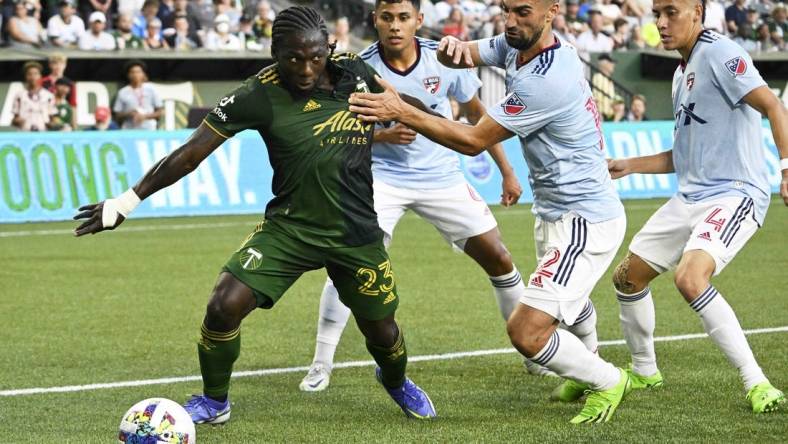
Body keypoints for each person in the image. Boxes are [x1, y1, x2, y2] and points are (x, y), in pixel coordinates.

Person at [74, 5, 437, 425]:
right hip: (290, 228)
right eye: (293, 58)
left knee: (382, 333)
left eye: (315, 57)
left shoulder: (355, 72)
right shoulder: (257, 94)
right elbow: (190, 153)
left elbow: (401, 102)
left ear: (331, 48)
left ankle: (395, 381)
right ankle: (215, 402)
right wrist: (124, 203)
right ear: (273, 52)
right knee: (223, 305)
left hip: (354, 231)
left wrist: (444, 122)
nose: (304, 68)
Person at [348, 0, 631, 424]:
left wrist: (403, 109)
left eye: (522, 11)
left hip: (586, 217)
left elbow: (473, 140)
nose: (511, 22)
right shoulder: (521, 43)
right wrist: (449, 50)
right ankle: (587, 362)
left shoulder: (547, 78)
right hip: (555, 212)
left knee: (526, 330)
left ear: (552, 10)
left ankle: (608, 379)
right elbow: (473, 51)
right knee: (569, 302)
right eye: (505, 11)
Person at [299, 0, 525, 393]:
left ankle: (531, 349)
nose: (395, 26)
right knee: (348, 262)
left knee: (499, 258)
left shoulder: (443, 60)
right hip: (382, 178)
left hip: (441, 176)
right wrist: (383, 135)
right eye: (386, 17)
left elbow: (477, 117)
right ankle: (321, 363)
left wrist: (507, 171)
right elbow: (332, 130)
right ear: (375, 20)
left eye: (404, 17)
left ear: (419, 20)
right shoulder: (356, 68)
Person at [607, 0, 787, 414]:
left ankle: (757, 383)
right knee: (627, 278)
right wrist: (630, 165)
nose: (661, 23)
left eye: (671, 12)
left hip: (735, 192)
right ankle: (644, 369)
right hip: (690, 196)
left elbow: (774, 106)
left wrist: (786, 168)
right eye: (656, 14)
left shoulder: (720, 52)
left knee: (690, 278)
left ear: (698, 13)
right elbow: (683, 155)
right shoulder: (679, 74)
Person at [113, 60, 163, 129]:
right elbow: (117, 114)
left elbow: (160, 112)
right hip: (130, 129)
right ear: (128, 75)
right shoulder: (123, 92)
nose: (135, 75)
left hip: (149, 129)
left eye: (138, 72)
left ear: (143, 74)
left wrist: (145, 116)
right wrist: (129, 114)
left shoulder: (151, 89)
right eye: (132, 72)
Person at [11, 62, 56, 132]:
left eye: (35, 74)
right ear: (25, 76)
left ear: (40, 76)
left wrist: (51, 124)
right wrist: (17, 121)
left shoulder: (48, 96)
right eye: (29, 74)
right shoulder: (19, 95)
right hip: (24, 133)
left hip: (43, 133)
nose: (32, 77)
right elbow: (14, 120)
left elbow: (52, 118)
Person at [591, 53, 616, 120]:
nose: (613, 65)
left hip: (610, 116)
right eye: (611, 62)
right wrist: (599, 114)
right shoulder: (599, 77)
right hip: (603, 116)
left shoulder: (609, 80)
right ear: (605, 64)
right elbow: (596, 98)